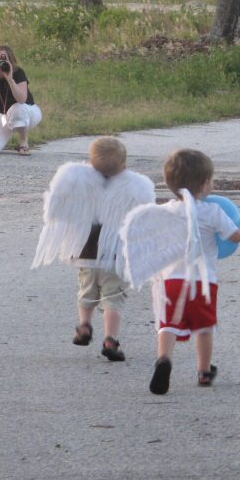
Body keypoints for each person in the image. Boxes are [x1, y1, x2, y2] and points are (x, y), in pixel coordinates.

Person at [31, 137, 155, 362]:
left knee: (87, 291)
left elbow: (56, 207)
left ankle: (84, 326)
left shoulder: (78, 181)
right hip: (115, 254)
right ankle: (110, 340)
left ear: (91, 163)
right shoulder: (135, 187)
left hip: (85, 250)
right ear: (124, 166)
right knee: (114, 297)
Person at [147, 149, 240, 395]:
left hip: (170, 281)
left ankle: (164, 359)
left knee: (168, 324)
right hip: (203, 282)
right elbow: (233, 235)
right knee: (204, 326)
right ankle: (203, 371)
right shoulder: (213, 212)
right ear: (204, 184)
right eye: (211, 180)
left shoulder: (164, 211)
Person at [0, 44, 42, 155]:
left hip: (28, 112)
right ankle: (8, 133)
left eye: (3, 59)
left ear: (10, 61)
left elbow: (22, 99)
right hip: (3, 115)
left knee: (17, 108)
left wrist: (10, 79)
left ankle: (23, 143)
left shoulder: (18, 73)